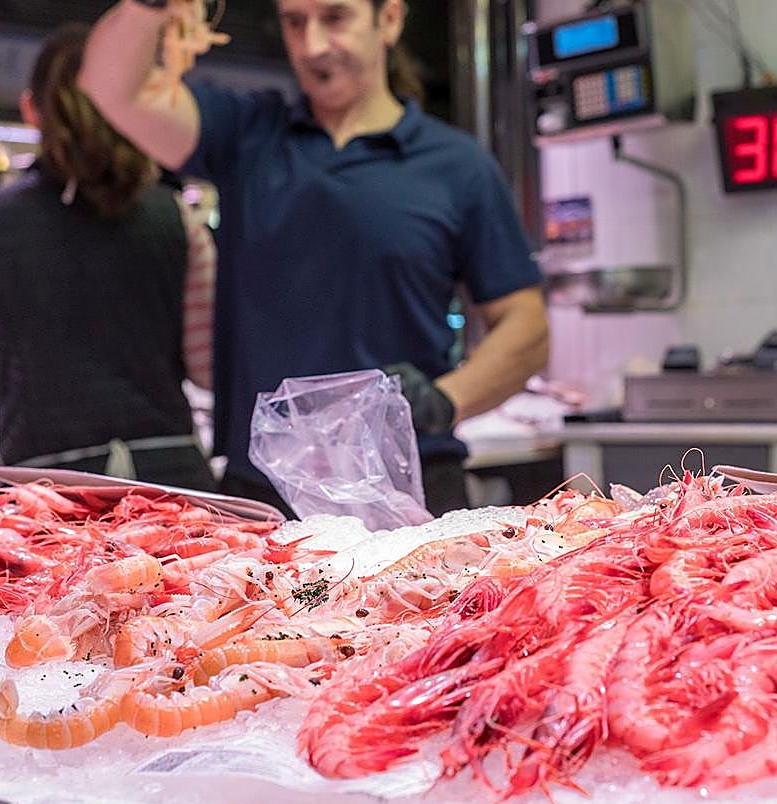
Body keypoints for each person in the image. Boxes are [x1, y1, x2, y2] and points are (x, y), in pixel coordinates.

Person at [80, 0, 549, 516]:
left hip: (407, 482)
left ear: (388, 19)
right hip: (265, 492)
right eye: (294, 22)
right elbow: (112, 88)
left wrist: (444, 399)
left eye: (335, 17)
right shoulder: (247, 135)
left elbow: (525, 326)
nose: (312, 46)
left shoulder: (459, 167)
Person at [0, 23, 219, 491]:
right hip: (174, 485)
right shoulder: (178, 216)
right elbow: (209, 367)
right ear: (132, 108)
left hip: (46, 493)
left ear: (31, 110)